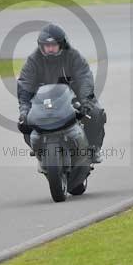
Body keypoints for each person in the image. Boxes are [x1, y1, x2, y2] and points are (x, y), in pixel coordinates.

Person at [17, 23, 106, 163]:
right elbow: (25, 85)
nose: (50, 49)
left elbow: (84, 79)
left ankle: (93, 148)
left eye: (54, 45)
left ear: (62, 44)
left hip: (73, 98)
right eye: (47, 46)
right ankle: (39, 150)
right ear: (41, 46)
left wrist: (85, 102)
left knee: (95, 113)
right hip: (43, 102)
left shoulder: (73, 56)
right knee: (24, 122)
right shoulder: (33, 60)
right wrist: (24, 110)